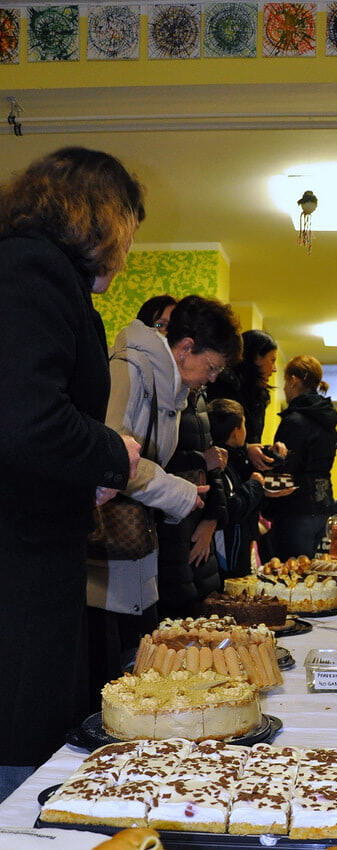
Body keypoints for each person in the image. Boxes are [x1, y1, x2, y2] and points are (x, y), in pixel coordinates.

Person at [0, 146, 144, 796]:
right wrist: (115, 452)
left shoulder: (35, 274)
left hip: (30, 554)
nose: (128, 251)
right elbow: (25, 419)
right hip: (18, 565)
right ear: (102, 217)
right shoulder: (31, 273)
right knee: (19, 753)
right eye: (130, 231)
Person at [87, 295, 242, 693]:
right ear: (186, 347)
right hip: (108, 544)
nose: (210, 379)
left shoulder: (170, 387)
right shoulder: (131, 369)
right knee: (113, 673)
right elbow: (109, 456)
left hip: (137, 542)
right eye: (210, 367)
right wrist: (177, 492)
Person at [139, 296, 229, 620]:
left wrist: (211, 517)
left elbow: (212, 459)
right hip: (160, 518)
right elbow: (140, 460)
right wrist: (197, 464)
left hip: (188, 513)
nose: (168, 336)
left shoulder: (196, 394)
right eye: (162, 325)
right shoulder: (140, 375)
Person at [266, 355, 337, 560]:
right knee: (311, 574)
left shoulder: (294, 421)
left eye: (284, 382)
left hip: (294, 508)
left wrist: (267, 507)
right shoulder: (327, 418)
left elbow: (284, 469)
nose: (283, 388)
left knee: (289, 575)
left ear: (293, 380)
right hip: (323, 504)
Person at [207, 328, 285, 471]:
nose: (274, 369)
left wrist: (266, 450)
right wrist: (247, 448)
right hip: (222, 471)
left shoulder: (259, 395)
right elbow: (218, 436)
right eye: (272, 360)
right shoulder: (224, 385)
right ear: (256, 358)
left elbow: (251, 439)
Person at [207, 398, 266, 578]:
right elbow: (232, 507)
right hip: (229, 553)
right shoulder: (221, 464)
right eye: (244, 425)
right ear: (235, 432)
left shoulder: (233, 458)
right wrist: (255, 485)